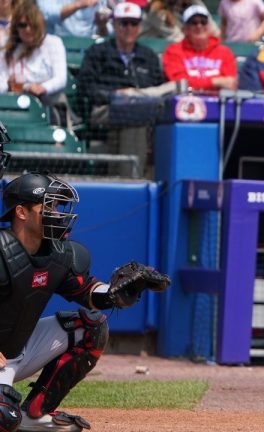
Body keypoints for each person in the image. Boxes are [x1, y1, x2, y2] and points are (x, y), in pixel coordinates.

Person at [0, 170, 170, 432]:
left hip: (16, 353)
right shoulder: (2, 251)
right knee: (3, 419)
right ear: (21, 213)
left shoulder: (58, 254)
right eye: (48, 206)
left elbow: (87, 291)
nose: (57, 213)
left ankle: (35, 413)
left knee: (92, 326)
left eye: (57, 206)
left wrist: (113, 293)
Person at [76, 1, 167, 176]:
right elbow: (85, 87)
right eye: (124, 23)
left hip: (142, 111)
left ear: (140, 26)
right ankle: (131, 179)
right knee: (134, 118)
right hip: (106, 108)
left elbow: (158, 87)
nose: (129, 28)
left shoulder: (148, 56)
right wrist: (113, 96)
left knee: (138, 116)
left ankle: (128, 177)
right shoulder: (98, 52)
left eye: (134, 23)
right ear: (114, 24)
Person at [0, 1, 68, 123]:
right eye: (22, 25)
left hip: (47, 101)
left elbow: (61, 78)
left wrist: (43, 87)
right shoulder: (11, 49)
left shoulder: (54, 43)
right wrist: (8, 85)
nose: (28, 29)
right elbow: (3, 79)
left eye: (32, 25)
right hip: (15, 102)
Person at [162, 4, 238, 91]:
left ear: (209, 27)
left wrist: (196, 82)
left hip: (217, 102)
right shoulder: (174, 51)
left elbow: (230, 83)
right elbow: (179, 83)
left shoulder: (224, 52)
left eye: (203, 22)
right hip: (185, 101)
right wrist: (214, 82)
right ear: (185, 29)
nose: (199, 26)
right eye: (193, 23)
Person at [141, 0, 221, 41]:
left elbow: (214, 32)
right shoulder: (157, 9)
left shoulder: (194, 2)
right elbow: (178, 39)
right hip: (151, 54)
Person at [37, 0, 110, 37]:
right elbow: (45, 16)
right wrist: (78, 5)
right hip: (56, 46)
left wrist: (102, 25)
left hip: (90, 49)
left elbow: (105, 33)